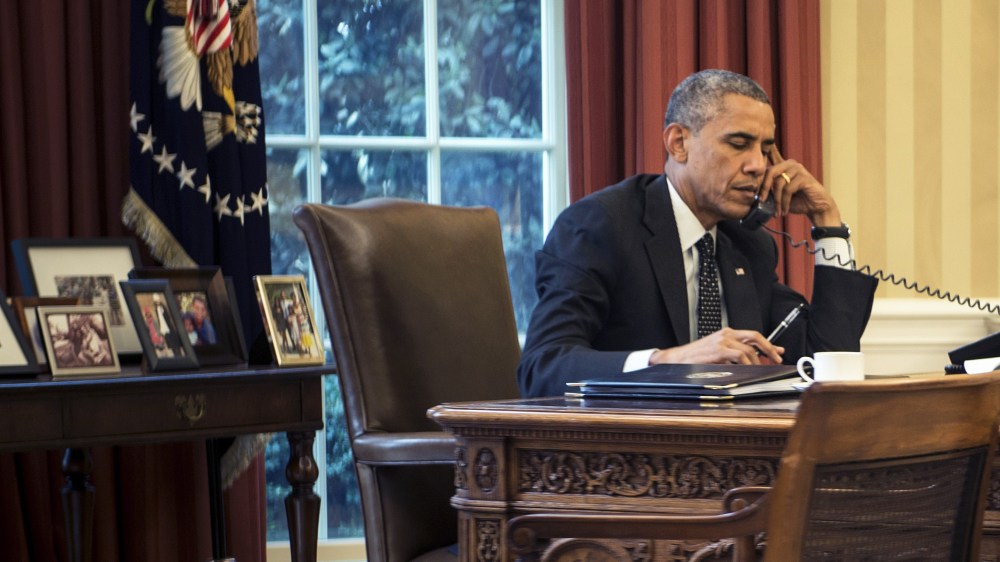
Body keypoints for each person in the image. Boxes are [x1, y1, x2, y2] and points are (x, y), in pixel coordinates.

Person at [518, 69, 878, 398]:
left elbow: (829, 361)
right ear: (678, 143)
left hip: (728, 451)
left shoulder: (750, 244)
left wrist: (827, 223)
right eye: (739, 144)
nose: (758, 165)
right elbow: (542, 367)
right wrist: (669, 360)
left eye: (766, 149)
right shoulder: (601, 225)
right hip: (622, 454)